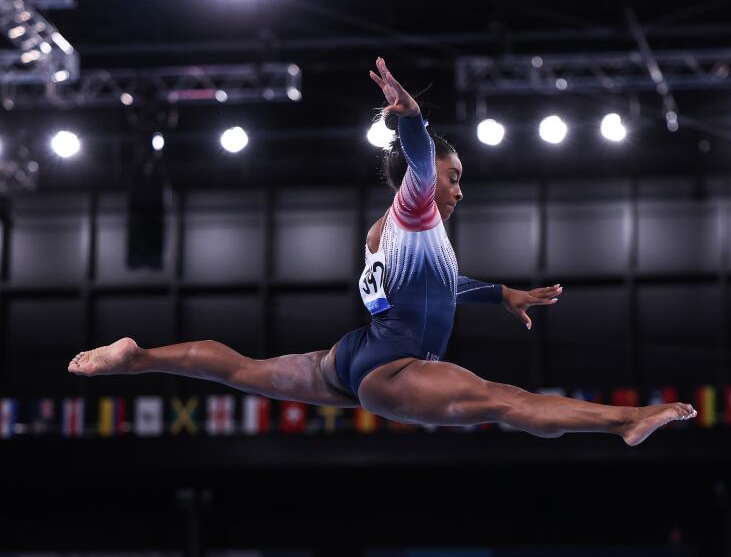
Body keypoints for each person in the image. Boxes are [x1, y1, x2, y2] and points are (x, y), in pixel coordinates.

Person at [68, 57, 696, 446]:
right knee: (511, 403)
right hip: (391, 369)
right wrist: (413, 120)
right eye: (453, 177)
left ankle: (137, 356)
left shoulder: (398, 235)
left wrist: (500, 293)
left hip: (356, 357)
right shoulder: (413, 206)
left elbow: (435, 288)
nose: (456, 189)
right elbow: (420, 163)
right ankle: (627, 420)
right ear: (421, 181)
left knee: (240, 369)